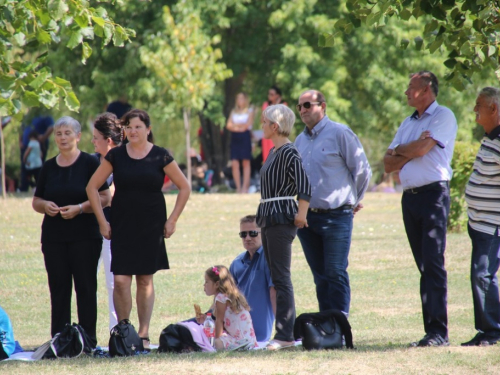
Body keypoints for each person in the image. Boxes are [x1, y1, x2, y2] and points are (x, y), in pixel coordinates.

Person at [86, 109, 190, 351]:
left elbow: (184, 187)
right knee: (121, 281)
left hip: (151, 224)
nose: (132, 131)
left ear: (148, 129)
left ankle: (143, 334)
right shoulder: (116, 156)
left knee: (145, 280)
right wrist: (103, 222)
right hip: (122, 224)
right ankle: (124, 332)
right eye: (129, 127)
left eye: (137, 127)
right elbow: (92, 187)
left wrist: (172, 220)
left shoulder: (160, 156)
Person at [383, 71, 457, 347]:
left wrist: (401, 152)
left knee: (433, 264)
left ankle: (439, 333)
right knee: (424, 265)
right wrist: (406, 150)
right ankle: (431, 332)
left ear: (426, 90)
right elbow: (388, 164)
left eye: (410, 87)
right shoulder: (407, 122)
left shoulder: (443, 116)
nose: (405, 92)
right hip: (410, 198)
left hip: (433, 196)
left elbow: (425, 148)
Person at [32, 116, 111, 346]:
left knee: (85, 287)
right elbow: (36, 200)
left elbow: (105, 196)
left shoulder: (90, 163)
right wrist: (45, 206)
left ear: (78, 136)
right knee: (58, 288)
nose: (63, 137)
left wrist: (80, 208)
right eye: (58, 133)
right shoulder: (48, 167)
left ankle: (87, 341)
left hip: (85, 236)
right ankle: (60, 340)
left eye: (68, 133)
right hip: (54, 238)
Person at [295, 90, 371, 317]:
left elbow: (362, 170)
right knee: (320, 276)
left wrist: (353, 200)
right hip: (307, 219)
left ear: (323, 106)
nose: (302, 110)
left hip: (337, 216)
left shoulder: (340, 133)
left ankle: (340, 326)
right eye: (299, 106)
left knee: (335, 272)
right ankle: (327, 327)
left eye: (307, 105)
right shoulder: (299, 141)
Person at [257, 104, 311, 350]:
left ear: (275, 126)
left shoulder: (290, 152)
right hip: (268, 216)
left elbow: (304, 185)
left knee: (281, 277)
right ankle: (283, 333)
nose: (262, 126)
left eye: (264, 122)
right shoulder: (272, 153)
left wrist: (301, 214)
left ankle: (285, 335)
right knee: (276, 277)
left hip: (282, 218)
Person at [462, 87, 500, 347]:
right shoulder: (489, 138)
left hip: (491, 223)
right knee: (480, 274)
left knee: (482, 274)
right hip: (478, 222)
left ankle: (493, 331)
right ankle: (487, 329)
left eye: (479, 105)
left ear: (494, 109)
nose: (475, 109)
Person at [91, 112, 123, 330]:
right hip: (88, 229)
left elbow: (113, 196)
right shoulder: (91, 162)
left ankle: (116, 331)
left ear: (108, 141)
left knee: (114, 284)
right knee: (87, 282)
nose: (92, 142)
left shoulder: (124, 161)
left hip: (113, 230)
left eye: (96, 138)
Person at [229, 215, 276, 342]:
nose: (247, 238)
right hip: (234, 330)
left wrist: (283, 331)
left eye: (253, 233)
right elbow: (225, 296)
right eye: (243, 234)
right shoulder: (236, 263)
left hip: (259, 336)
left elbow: (275, 294)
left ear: (264, 233)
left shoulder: (270, 258)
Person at [199, 265, 257, 351]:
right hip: (250, 340)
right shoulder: (230, 295)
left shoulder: (220, 298)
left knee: (216, 342)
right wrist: (206, 319)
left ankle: (239, 346)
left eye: (207, 282)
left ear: (217, 284)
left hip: (240, 340)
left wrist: (217, 340)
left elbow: (220, 321)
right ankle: (243, 346)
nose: (204, 285)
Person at [226, 92, 254, 193]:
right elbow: (228, 125)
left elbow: (247, 125)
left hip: (245, 137)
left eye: (242, 98)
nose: (239, 100)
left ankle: (245, 187)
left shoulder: (250, 110)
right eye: (238, 98)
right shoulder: (234, 111)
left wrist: (235, 126)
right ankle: (238, 187)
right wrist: (238, 127)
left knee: (246, 162)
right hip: (235, 138)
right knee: (234, 163)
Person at [261, 85, 287, 163]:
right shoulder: (266, 105)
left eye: (272, 94)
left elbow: (281, 119)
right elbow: (262, 119)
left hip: (278, 133)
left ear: (277, 95)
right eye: (269, 94)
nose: (269, 96)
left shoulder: (283, 105)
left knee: (278, 155)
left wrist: (277, 104)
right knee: (267, 156)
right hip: (268, 133)